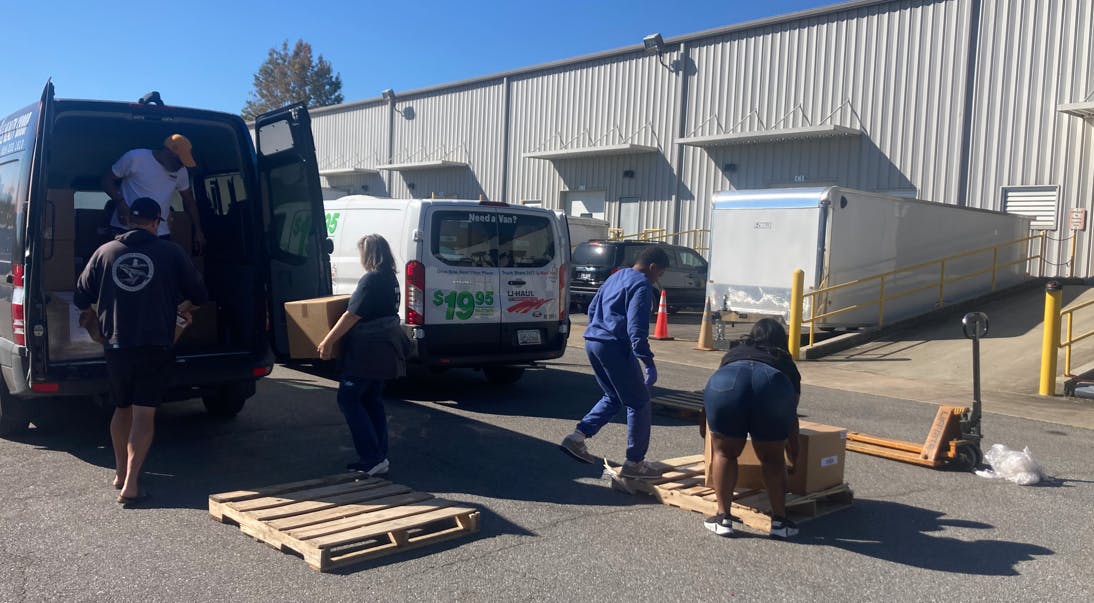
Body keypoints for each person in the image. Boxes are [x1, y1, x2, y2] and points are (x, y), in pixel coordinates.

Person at [74, 197, 208, 506]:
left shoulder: (104, 253)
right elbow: (199, 295)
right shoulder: (170, 252)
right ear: (156, 222)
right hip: (155, 344)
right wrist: (182, 311)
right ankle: (132, 484)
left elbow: (81, 296)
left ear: (128, 220)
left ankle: (120, 473)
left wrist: (96, 318)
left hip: (116, 345)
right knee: (144, 414)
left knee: (122, 409)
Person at [559, 245, 669, 479]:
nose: (658, 279)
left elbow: (592, 308)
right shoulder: (641, 284)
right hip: (613, 346)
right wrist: (648, 362)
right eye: (659, 274)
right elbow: (636, 329)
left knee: (613, 396)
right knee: (639, 402)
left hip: (593, 340)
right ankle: (635, 463)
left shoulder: (616, 277)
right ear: (652, 267)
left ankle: (577, 437)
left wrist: (599, 330)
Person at [318, 234, 410, 476]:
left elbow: (351, 315)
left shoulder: (370, 280)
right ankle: (380, 457)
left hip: (366, 351)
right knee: (371, 400)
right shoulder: (391, 278)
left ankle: (371, 458)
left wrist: (328, 341)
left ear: (368, 254)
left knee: (348, 398)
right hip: (384, 349)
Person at [702, 318, 802, 539]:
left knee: (725, 453)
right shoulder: (785, 362)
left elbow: (710, 406)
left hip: (726, 382)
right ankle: (779, 522)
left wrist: (707, 431)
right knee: (772, 459)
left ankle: (723, 518)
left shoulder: (734, 352)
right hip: (771, 386)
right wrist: (793, 455)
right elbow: (791, 417)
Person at [100, 134, 207, 254]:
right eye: (179, 162)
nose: (180, 167)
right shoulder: (136, 158)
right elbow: (106, 181)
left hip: (160, 232)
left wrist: (198, 230)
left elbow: (189, 201)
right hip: (125, 229)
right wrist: (120, 203)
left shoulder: (181, 172)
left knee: (159, 269)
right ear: (168, 152)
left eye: (183, 164)